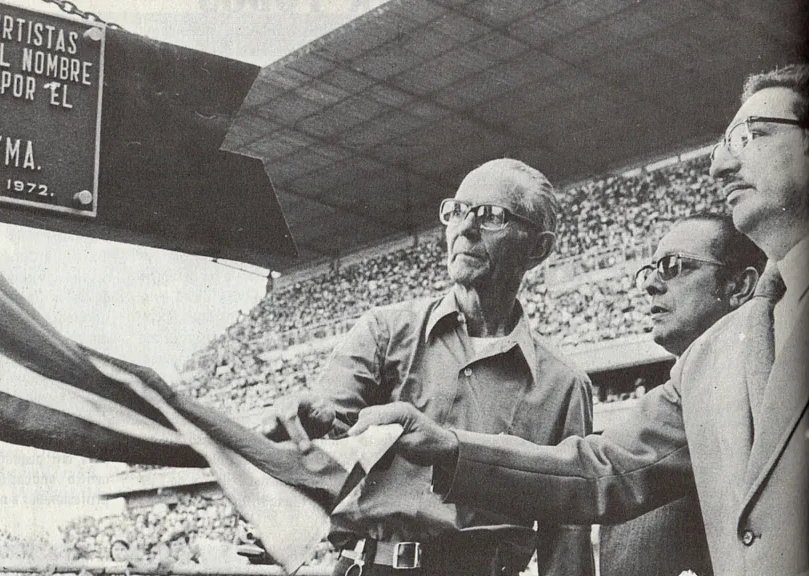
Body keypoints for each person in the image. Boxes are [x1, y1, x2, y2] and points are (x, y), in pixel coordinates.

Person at [346, 63, 809, 576]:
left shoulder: (569, 379)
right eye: (725, 144)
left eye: (753, 136)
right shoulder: (715, 356)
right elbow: (600, 470)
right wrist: (450, 447)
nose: (720, 166)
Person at [262, 158, 594, 576]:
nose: (464, 229)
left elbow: (566, 540)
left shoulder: (563, 386)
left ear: (539, 248)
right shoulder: (385, 331)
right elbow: (327, 426)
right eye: (457, 211)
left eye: (491, 216)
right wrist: (315, 422)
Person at [599, 213, 765, 576]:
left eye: (673, 267)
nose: (651, 286)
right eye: (650, 270)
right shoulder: (675, 398)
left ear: (739, 287)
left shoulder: (766, 390)